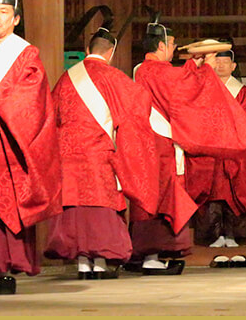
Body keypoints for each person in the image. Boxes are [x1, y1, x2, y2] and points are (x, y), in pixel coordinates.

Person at [131, 18, 246, 274]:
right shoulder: (153, 69)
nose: (173, 49)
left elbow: (179, 80)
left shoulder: (145, 69)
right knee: (161, 198)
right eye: (172, 44)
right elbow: (182, 87)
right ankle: (150, 255)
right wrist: (203, 69)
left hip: (153, 141)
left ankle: (153, 254)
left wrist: (197, 65)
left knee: (162, 196)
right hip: (159, 143)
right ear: (161, 45)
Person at [44, 27, 161, 279]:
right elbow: (139, 106)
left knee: (74, 208)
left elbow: (51, 114)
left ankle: (83, 265)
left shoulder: (66, 77)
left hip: (67, 155)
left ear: (87, 50)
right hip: (97, 153)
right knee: (99, 207)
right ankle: (100, 263)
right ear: (111, 52)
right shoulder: (114, 77)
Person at [0, 0, 62, 294]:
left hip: (7, 143)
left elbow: (31, 97)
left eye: (3, 13)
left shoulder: (25, 54)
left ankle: (5, 268)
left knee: (5, 208)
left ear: (16, 19)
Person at [187, 45, 246, 248]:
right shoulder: (201, 89)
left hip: (235, 152)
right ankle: (213, 236)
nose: (220, 66)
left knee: (234, 192)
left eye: (225, 62)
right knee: (212, 193)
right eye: (217, 62)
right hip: (211, 151)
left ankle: (233, 234)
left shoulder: (243, 93)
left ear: (233, 66)